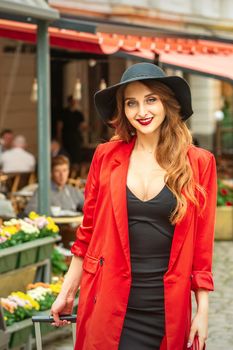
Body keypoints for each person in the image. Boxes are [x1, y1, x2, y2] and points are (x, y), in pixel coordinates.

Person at [50, 63, 217, 350]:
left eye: (151, 99)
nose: (142, 111)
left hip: (165, 309)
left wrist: (202, 311)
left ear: (167, 103)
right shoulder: (106, 157)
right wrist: (67, 291)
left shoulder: (199, 163)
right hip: (109, 301)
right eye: (132, 103)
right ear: (123, 110)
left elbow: (202, 250)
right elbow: (86, 234)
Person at [57, 96, 87, 167]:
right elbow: (59, 126)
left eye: (74, 101)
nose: (73, 103)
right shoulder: (64, 112)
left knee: (77, 156)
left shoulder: (79, 113)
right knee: (67, 155)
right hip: (66, 136)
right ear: (69, 102)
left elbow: (83, 127)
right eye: (72, 101)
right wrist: (59, 138)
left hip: (76, 137)